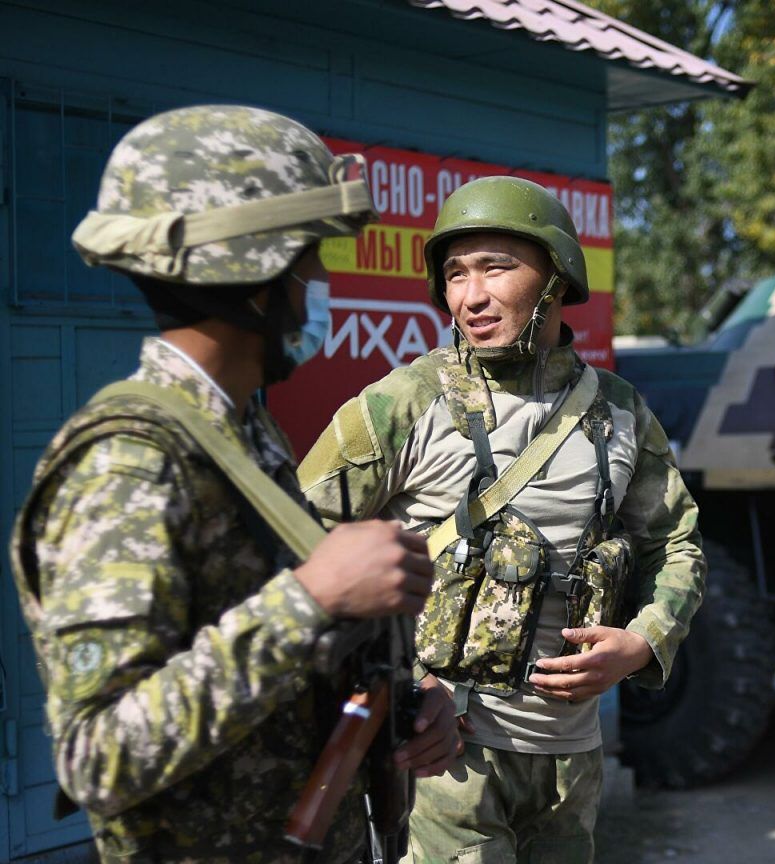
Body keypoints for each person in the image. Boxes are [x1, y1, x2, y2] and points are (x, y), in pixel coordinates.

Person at [8, 105, 460, 863]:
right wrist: (310, 598)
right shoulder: (129, 463)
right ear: (252, 277)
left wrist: (404, 707)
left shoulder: (242, 433)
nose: (320, 285)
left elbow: (268, 684)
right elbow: (98, 755)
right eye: (310, 264)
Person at [298, 175, 706, 863]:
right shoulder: (404, 403)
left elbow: (675, 542)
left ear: (556, 275)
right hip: (447, 759)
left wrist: (643, 642)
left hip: (571, 759)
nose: (470, 295)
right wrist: (398, 688)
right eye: (455, 273)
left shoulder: (619, 412)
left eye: (496, 267)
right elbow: (298, 552)